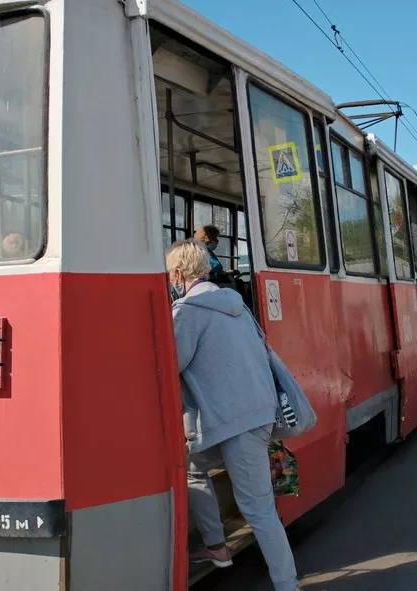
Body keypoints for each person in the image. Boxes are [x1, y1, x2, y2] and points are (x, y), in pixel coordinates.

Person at [167, 239, 300, 591]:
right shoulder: (236, 306)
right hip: (255, 415)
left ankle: (287, 584)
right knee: (193, 466)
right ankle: (216, 547)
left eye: (170, 274)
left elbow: (171, 366)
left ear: (179, 274)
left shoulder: (186, 313)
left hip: (232, 422)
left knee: (257, 508)